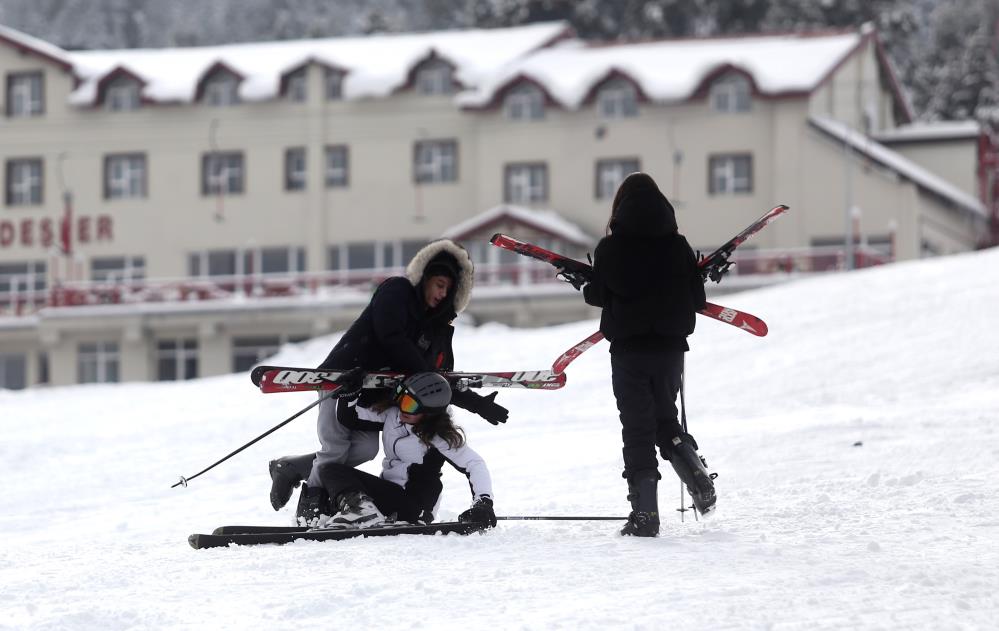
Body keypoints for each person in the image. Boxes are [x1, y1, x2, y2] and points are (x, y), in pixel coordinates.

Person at [267, 239, 509, 526]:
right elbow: (391, 337)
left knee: (365, 451)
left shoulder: (434, 331)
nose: (443, 294)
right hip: (342, 379)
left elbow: (437, 384)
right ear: (425, 278)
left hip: (376, 395)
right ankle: (312, 510)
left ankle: (295, 468)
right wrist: (362, 384)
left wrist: (476, 403)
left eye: (449, 289)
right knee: (333, 454)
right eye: (439, 284)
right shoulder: (397, 291)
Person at [582, 172, 716, 537]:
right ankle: (695, 472)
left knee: (638, 430)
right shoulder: (678, 246)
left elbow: (597, 295)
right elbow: (698, 300)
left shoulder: (611, 249)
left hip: (629, 353)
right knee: (664, 421)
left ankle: (645, 515)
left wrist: (588, 282)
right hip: (671, 351)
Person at [317, 372, 496, 529]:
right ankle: (355, 511)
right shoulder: (393, 416)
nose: (403, 408)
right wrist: (350, 394)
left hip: (416, 506)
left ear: (429, 413)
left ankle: (361, 512)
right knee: (330, 470)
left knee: (333, 472)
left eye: (410, 405)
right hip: (391, 495)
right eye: (402, 399)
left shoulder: (438, 437)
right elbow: (350, 417)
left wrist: (484, 504)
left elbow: (474, 464)